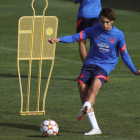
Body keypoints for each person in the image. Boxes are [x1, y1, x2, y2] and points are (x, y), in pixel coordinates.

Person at [48, 7, 140, 135]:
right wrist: (59, 39)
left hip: (104, 66)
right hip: (89, 63)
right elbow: (76, 37)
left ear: (112, 21)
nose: (104, 24)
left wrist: (134, 70)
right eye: (102, 21)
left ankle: (85, 107)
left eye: (107, 22)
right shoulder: (92, 30)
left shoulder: (118, 35)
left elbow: (124, 54)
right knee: (82, 90)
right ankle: (95, 127)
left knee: (94, 89)